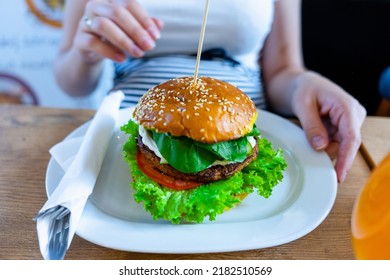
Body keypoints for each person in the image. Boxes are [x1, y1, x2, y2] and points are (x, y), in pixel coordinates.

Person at [54, 0, 366, 183]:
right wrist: (86, 50)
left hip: (246, 120)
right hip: (134, 122)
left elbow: (284, 70)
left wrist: (305, 83)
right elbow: (71, 82)